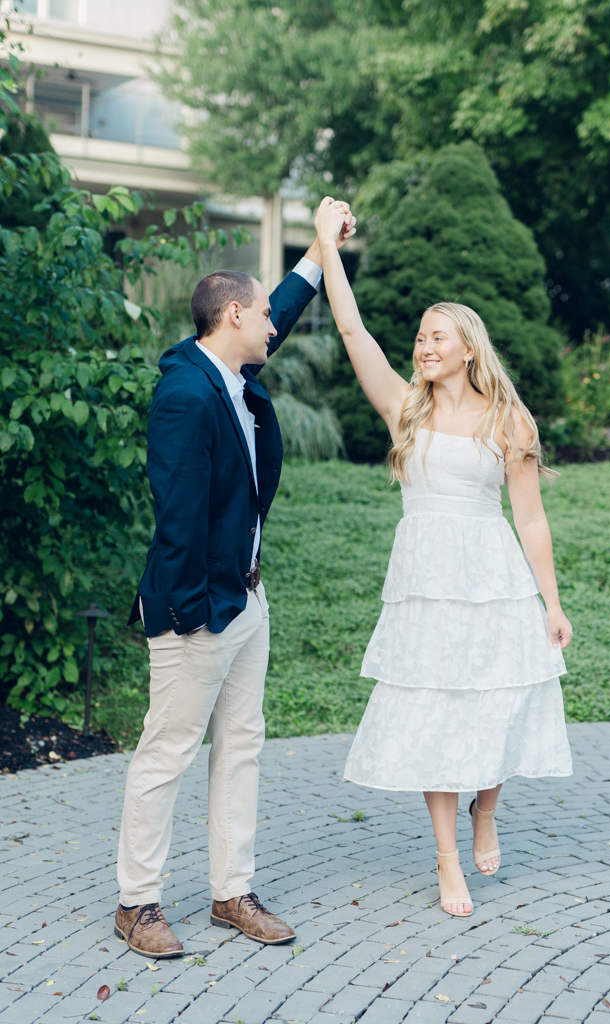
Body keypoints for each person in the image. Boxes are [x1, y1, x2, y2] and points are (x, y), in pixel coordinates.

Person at [314, 198, 573, 918]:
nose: (423, 346)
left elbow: (530, 516)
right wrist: (324, 246)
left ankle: (485, 807)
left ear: (467, 348)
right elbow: (350, 328)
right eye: (421, 337)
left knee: (502, 699)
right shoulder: (405, 409)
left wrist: (551, 603)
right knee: (434, 710)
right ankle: (444, 858)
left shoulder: (506, 419)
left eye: (437, 337)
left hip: (492, 579)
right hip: (425, 583)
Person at [114, 204, 356, 958]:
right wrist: (191, 615)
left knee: (241, 746)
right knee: (168, 751)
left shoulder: (230, 368)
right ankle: (137, 903)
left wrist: (319, 248)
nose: (272, 329)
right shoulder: (186, 393)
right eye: (260, 317)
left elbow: (280, 303)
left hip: (248, 597)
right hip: (198, 608)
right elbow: (176, 514)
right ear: (230, 315)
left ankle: (232, 892)